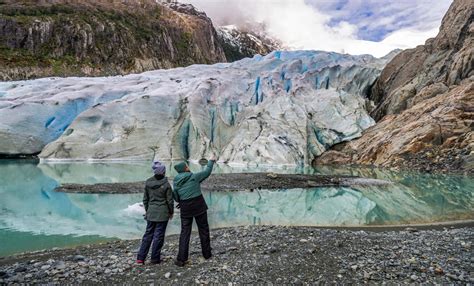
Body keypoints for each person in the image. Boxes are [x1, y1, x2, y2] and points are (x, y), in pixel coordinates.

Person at [173, 158, 215, 267]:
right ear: (185, 168)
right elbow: (207, 172)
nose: (188, 167)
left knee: (185, 232)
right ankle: (207, 254)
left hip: (185, 208)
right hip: (198, 206)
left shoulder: (176, 181)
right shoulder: (194, 176)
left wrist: (182, 200)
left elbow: (176, 197)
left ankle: (181, 259)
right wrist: (211, 161)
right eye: (186, 166)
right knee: (203, 229)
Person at [136, 161, 174, 265]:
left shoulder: (148, 182)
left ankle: (140, 258)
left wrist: (148, 211)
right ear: (163, 172)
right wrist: (171, 212)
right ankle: (155, 259)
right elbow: (170, 201)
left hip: (151, 213)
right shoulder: (166, 184)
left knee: (148, 235)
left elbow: (145, 200)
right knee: (158, 236)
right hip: (162, 214)